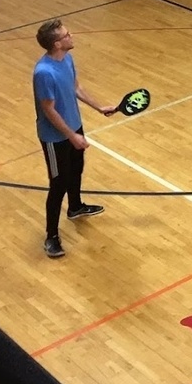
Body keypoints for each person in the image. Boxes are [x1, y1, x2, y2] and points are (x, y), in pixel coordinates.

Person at [33, 20, 115, 258]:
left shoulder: (66, 59)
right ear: (57, 43)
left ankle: (76, 207)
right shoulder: (44, 73)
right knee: (58, 185)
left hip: (74, 128)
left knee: (77, 169)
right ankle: (51, 237)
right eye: (67, 35)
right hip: (55, 137)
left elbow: (75, 88)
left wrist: (99, 107)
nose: (72, 36)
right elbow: (49, 109)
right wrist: (71, 136)